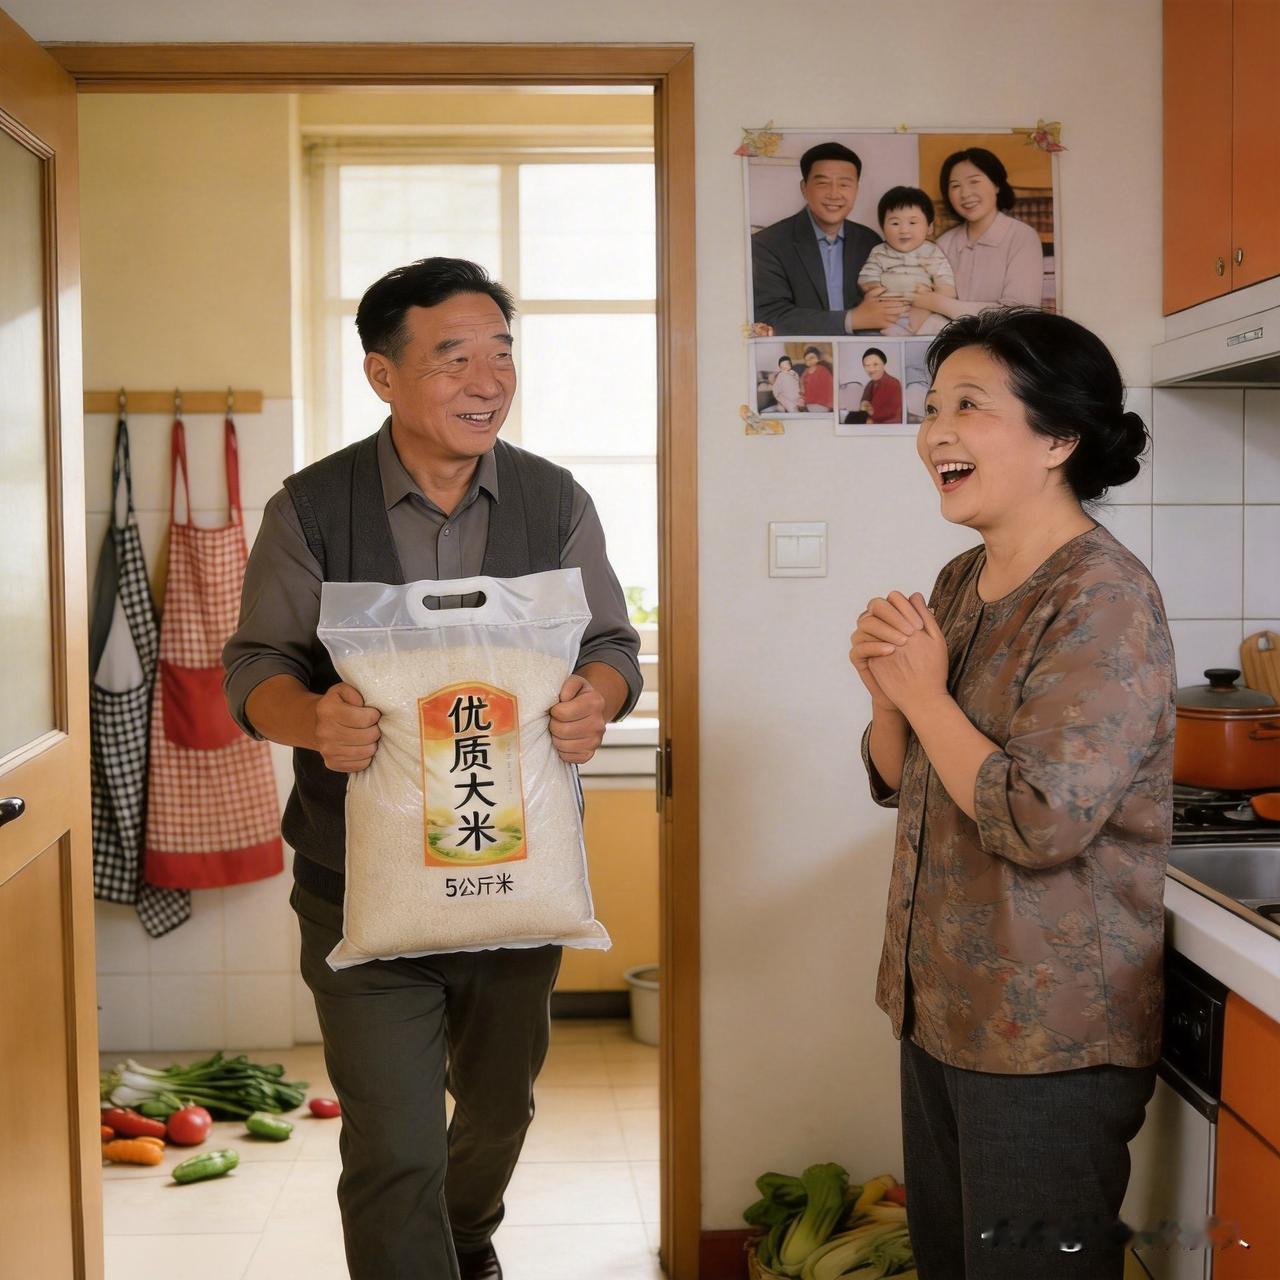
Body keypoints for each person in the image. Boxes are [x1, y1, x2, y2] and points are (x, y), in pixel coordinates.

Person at [222, 258, 642, 1280]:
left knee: (499, 1110)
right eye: (454, 357)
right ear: (383, 374)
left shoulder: (554, 499)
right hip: (357, 885)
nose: (487, 380)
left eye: (501, 353)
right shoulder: (310, 507)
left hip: (517, 879)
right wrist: (313, 719)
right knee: (395, 1144)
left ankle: (465, 1236)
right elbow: (256, 666)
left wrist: (595, 697)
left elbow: (611, 644)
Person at [848, 307, 1172, 1280]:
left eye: (968, 406)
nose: (934, 432)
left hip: (1047, 1036)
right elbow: (899, 777)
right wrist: (887, 697)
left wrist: (921, 694)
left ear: (1057, 437)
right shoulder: (959, 580)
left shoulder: (1102, 598)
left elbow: (1039, 819)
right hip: (943, 1003)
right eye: (931, 407)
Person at [752, 141, 909, 336]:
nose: (834, 194)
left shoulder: (870, 241)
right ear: (804, 188)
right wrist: (852, 319)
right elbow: (770, 316)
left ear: (856, 189)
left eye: (844, 184)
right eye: (823, 183)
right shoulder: (768, 244)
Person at [912, 148, 1045, 324]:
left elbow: (1020, 312)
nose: (965, 194)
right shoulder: (944, 243)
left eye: (974, 181)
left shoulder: (1022, 237)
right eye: (955, 186)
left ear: (996, 185)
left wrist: (939, 303)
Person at [857, 186, 957, 337]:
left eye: (912, 223)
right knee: (874, 331)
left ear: (929, 227)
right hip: (890, 308)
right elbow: (867, 278)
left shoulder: (931, 251)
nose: (904, 230)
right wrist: (879, 293)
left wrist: (934, 299)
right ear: (883, 228)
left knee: (942, 326)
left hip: (924, 307)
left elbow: (945, 282)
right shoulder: (879, 252)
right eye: (895, 223)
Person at [857, 347, 903, 424]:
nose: (871, 369)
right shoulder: (870, 384)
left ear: (883, 364)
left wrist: (870, 415)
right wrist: (864, 404)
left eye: (875, 364)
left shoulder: (893, 383)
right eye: (867, 365)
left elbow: (893, 410)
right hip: (871, 424)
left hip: (889, 424)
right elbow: (864, 404)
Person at [798, 345, 834, 412]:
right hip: (809, 402)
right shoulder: (805, 372)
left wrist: (829, 404)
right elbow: (802, 386)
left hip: (822, 403)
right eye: (807, 360)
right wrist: (802, 398)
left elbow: (829, 386)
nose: (809, 361)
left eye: (812, 358)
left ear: (818, 358)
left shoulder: (823, 370)